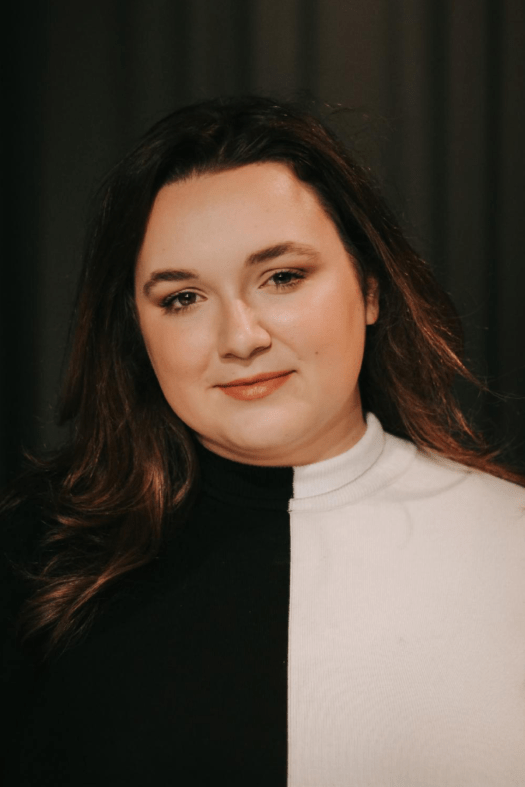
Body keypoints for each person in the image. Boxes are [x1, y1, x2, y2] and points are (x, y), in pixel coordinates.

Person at [1, 94, 524, 787]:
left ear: (370, 288)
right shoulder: (38, 559)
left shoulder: (511, 540)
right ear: (137, 329)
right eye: (183, 297)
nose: (241, 338)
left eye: (282, 277)